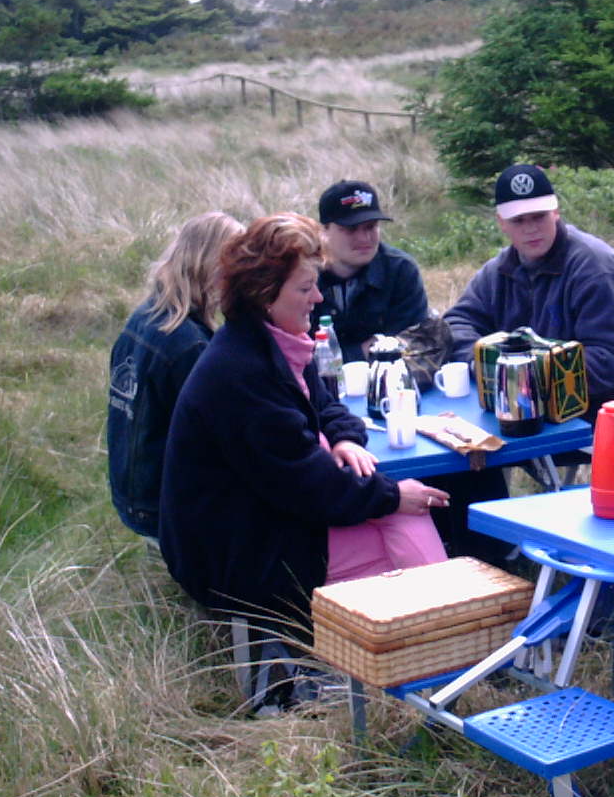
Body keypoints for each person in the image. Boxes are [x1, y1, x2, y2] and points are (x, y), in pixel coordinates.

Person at [159, 214, 449, 710]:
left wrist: (343, 438)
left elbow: (326, 402)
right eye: (305, 288)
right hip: (232, 551)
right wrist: (392, 496)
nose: (317, 298)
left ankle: (425, 662)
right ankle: (432, 662)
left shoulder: (270, 342)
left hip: (267, 516)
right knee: (403, 518)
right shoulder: (240, 372)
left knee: (399, 515)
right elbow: (308, 486)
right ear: (264, 294)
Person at [443, 164, 614, 409]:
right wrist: (487, 363)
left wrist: (522, 373)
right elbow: (455, 324)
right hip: (521, 404)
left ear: (555, 212)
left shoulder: (597, 269)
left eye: (539, 216)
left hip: (602, 411)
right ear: (502, 223)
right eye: (518, 220)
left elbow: (610, 361)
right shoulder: (498, 270)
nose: (531, 229)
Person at [106, 211, 244, 546]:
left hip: (132, 494)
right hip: (160, 509)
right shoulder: (189, 346)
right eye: (236, 264)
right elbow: (224, 438)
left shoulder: (144, 317)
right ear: (212, 264)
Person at [311, 179, 429, 362]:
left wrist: (333, 356)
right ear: (323, 231)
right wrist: (360, 352)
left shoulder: (400, 271)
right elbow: (295, 354)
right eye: (350, 229)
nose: (364, 238)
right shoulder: (303, 274)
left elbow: (411, 346)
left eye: (371, 226)